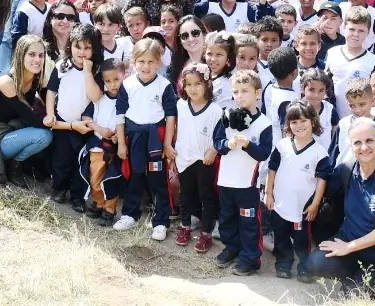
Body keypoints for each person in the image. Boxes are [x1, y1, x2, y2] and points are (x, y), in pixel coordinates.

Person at [306, 118, 375, 297]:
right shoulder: (347, 170)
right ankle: (358, 280)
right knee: (315, 264)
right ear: (350, 146)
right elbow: (322, 186)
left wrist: (348, 247)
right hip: (352, 241)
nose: (364, 147)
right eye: (357, 142)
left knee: (354, 297)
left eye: (369, 140)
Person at [0, 34, 53, 185]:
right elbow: (30, 117)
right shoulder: (6, 81)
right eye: (32, 54)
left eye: (41, 55)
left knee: (48, 133)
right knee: (44, 135)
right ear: (20, 55)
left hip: (13, 130)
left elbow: (51, 105)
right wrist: (66, 125)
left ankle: (22, 163)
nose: (38, 60)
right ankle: (14, 166)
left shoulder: (37, 77)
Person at [113, 38, 179, 239]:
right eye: (141, 61)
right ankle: (130, 214)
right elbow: (120, 114)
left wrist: (167, 144)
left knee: (158, 179)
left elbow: (171, 116)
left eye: (151, 62)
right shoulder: (127, 84)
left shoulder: (164, 85)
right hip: (134, 138)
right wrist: (121, 143)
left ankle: (161, 221)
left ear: (158, 63)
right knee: (135, 175)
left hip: (155, 140)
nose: (146, 66)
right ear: (133, 62)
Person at [213, 69, 275, 276]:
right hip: (226, 180)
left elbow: (264, 153)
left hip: (247, 184)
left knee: (249, 222)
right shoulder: (226, 116)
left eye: (245, 91)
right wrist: (227, 144)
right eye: (235, 91)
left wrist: (248, 145)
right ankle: (231, 248)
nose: (239, 96)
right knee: (227, 218)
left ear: (257, 93)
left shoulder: (264, 124)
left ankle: (250, 258)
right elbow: (217, 143)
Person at [265, 101, 334, 281]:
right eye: (294, 122)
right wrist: (268, 194)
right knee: (280, 236)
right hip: (280, 204)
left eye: (303, 120)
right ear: (288, 124)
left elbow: (322, 180)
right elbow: (271, 170)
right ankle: (283, 264)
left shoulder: (320, 153)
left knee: (302, 239)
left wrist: (315, 204)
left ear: (313, 121)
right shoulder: (282, 146)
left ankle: (305, 268)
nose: (299, 125)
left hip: (302, 208)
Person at [44, 23, 102, 207]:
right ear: (71, 45)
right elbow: (51, 91)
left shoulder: (96, 70)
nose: (82, 52)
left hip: (85, 126)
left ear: (94, 49)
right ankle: (59, 188)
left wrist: (87, 72)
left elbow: (96, 96)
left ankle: (78, 196)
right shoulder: (62, 66)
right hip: (63, 121)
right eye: (78, 46)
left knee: (81, 163)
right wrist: (50, 113)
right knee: (61, 160)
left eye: (87, 48)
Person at [173, 64, 223, 252]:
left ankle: (206, 233)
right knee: (185, 194)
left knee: (206, 196)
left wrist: (213, 151)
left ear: (207, 84)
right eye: (188, 84)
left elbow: (220, 136)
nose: (193, 89)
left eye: (198, 84)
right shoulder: (180, 105)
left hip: (204, 160)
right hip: (183, 158)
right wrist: (172, 151)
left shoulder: (215, 110)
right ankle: (185, 226)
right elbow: (176, 129)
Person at [84, 58, 127, 224]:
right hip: (98, 146)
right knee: (95, 178)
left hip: (116, 148)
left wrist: (120, 136)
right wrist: (100, 130)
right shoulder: (99, 99)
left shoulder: (128, 100)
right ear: (102, 81)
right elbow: (86, 118)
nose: (113, 85)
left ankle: (110, 209)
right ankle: (98, 203)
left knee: (112, 179)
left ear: (124, 76)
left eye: (116, 79)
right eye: (108, 81)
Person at [0, 0, 53, 72]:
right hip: (27, 58)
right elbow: (17, 40)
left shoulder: (51, 9)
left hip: (46, 57)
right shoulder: (24, 11)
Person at [325, 9, 375, 119]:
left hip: (362, 120)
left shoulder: (373, 61)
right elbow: (325, 85)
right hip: (334, 119)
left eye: (361, 31)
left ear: (367, 32)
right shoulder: (332, 53)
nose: (356, 34)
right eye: (352, 29)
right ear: (343, 27)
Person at [168, 15, 208, 84]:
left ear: (204, 34)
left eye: (195, 33)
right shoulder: (177, 64)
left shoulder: (213, 62)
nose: (191, 39)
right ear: (180, 40)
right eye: (185, 36)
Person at [204, 32, 237, 109]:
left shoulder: (232, 81)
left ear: (228, 57)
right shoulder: (201, 74)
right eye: (209, 54)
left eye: (219, 55)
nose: (213, 59)